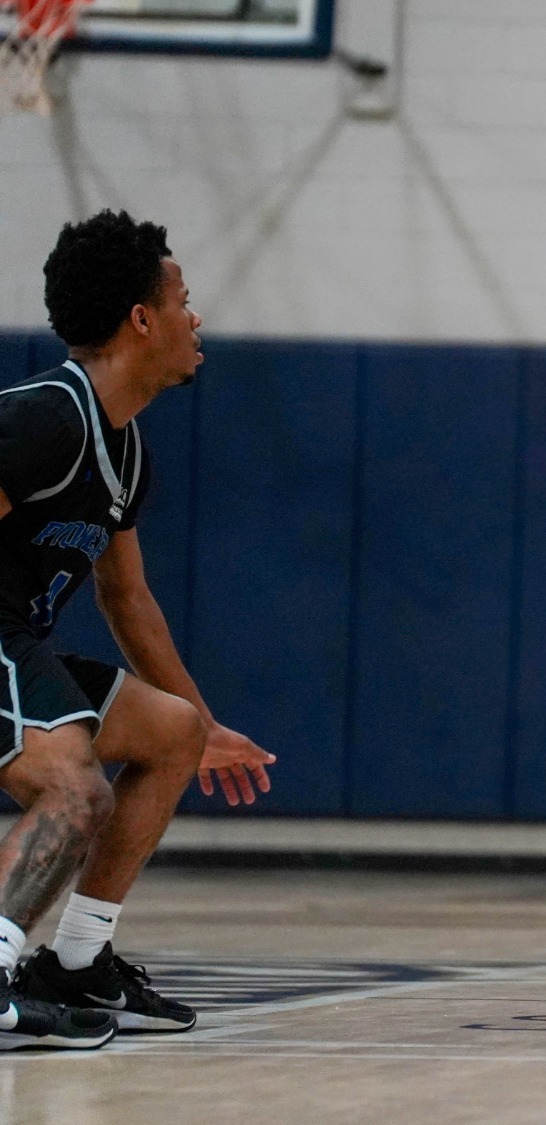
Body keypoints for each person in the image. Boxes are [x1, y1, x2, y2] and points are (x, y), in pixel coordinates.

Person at [0, 210, 275, 1048]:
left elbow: (128, 598)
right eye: (183, 300)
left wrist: (207, 723)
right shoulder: (46, 419)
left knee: (172, 731)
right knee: (74, 789)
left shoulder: (123, 452)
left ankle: (76, 961)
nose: (197, 318)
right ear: (142, 319)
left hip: (15, 644)